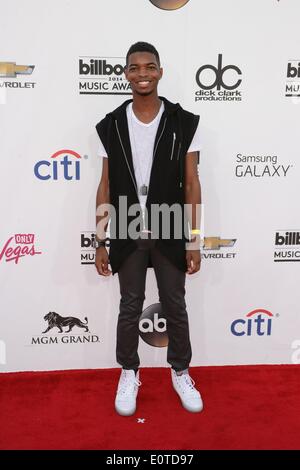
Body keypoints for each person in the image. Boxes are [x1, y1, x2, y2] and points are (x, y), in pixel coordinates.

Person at [95, 42, 203, 416]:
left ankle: (181, 371)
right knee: (130, 305)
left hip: (171, 223)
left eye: (149, 66)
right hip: (126, 222)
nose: (142, 73)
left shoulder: (182, 121)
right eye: (134, 67)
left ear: (160, 71)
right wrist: (99, 239)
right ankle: (128, 371)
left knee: (175, 303)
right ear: (125, 74)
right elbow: (105, 185)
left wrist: (194, 238)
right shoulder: (110, 124)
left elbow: (191, 183)